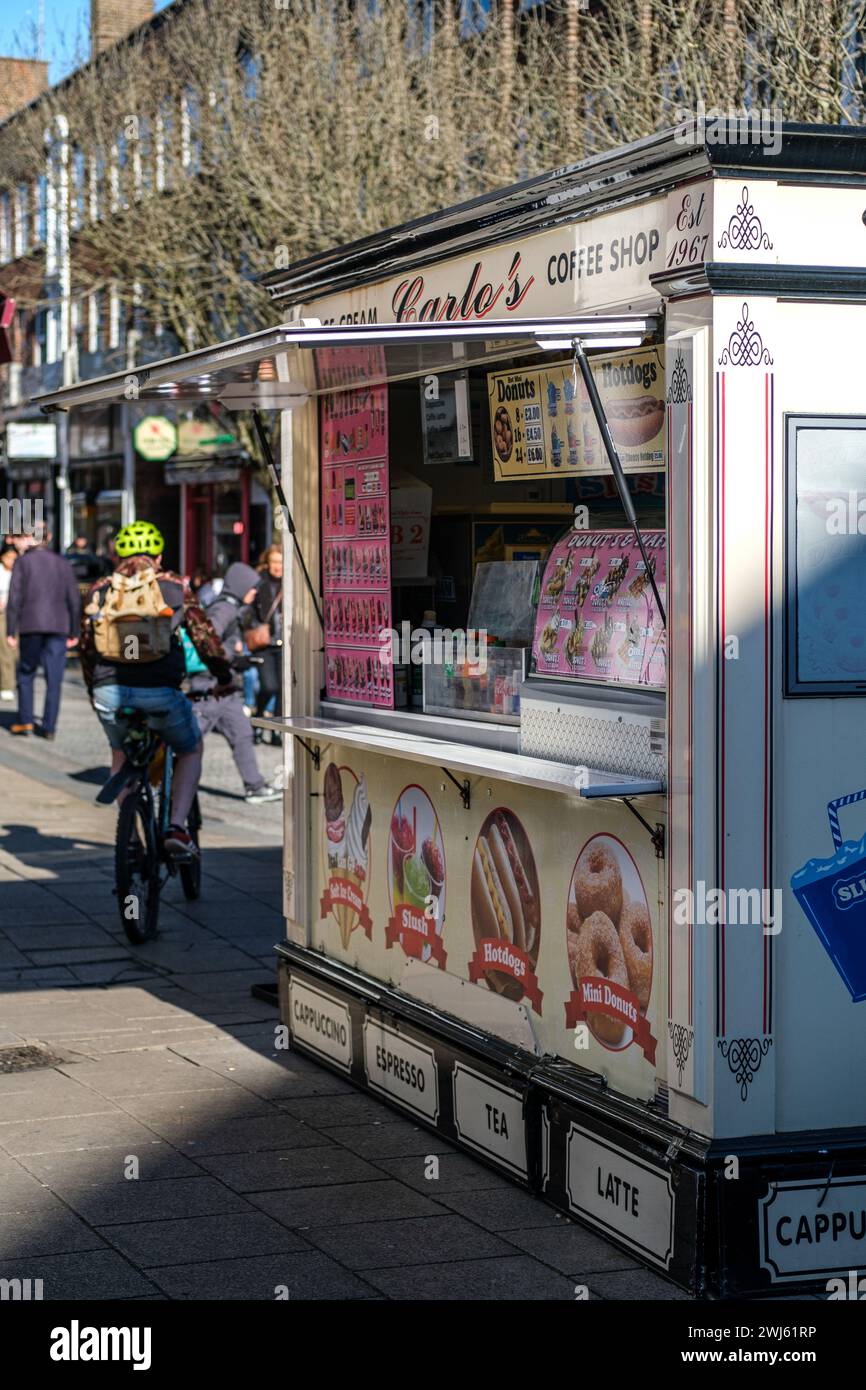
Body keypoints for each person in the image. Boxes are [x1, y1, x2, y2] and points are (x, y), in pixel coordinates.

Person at [80, 520, 232, 857]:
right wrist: (224, 678)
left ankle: (130, 837)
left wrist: (95, 691)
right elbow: (204, 638)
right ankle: (177, 827)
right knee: (190, 748)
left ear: (117, 555)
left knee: (120, 753)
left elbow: (87, 649)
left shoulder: (99, 589)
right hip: (160, 692)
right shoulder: (175, 586)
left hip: (111, 692)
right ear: (159, 556)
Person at [185, 562, 280, 804]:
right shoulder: (224, 609)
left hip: (223, 688)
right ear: (240, 586)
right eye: (252, 587)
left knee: (242, 733)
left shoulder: (232, 607)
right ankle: (163, 782)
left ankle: (255, 786)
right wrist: (234, 654)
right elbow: (206, 645)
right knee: (189, 738)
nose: (255, 592)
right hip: (209, 686)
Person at [6, 530, 81, 738]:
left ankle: (26, 720)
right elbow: (74, 599)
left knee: (26, 673)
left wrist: (11, 630)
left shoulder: (24, 562)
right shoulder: (62, 563)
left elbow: (15, 598)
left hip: (31, 626)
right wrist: (75, 630)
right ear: (48, 538)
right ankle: (49, 727)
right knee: (54, 678)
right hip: (58, 627)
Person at [252, 543, 283, 741]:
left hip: (285, 642)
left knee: (283, 688)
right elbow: (247, 612)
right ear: (267, 563)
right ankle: (257, 719)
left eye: (280, 562)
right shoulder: (259, 582)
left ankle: (277, 730)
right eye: (273, 562)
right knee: (269, 686)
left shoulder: (290, 582)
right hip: (264, 643)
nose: (277, 566)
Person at [0, 545, 17, 700]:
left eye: (14, 558)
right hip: (3, 615)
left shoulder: (19, 572)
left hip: (18, 615)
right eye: (8, 557)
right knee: (6, 650)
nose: (11, 561)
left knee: (15, 652)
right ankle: (7, 685)